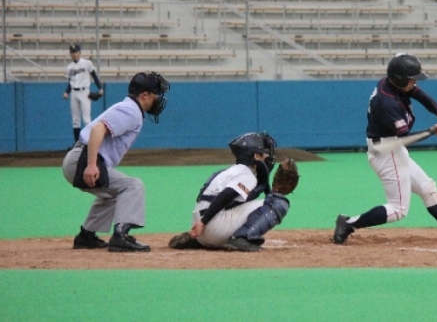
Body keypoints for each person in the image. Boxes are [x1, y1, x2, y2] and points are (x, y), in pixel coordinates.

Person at [333, 53, 437, 245]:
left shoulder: (392, 84)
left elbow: (420, 95)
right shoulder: (387, 103)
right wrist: (433, 130)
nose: (415, 82)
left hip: (392, 148)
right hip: (387, 152)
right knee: (398, 210)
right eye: (412, 79)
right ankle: (348, 224)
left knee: (428, 188)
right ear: (400, 79)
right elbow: (405, 137)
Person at [62, 72, 170, 252]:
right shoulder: (131, 111)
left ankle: (86, 236)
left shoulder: (130, 108)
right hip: (81, 160)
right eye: (155, 94)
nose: (157, 99)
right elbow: (98, 130)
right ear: (144, 95)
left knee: (115, 193)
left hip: (79, 158)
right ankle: (121, 235)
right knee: (132, 186)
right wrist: (91, 164)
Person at [168, 132, 293, 252]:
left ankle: (196, 241)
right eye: (264, 154)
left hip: (200, 233)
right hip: (212, 227)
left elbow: (238, 201)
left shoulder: (229, 171)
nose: (267, 158)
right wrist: (203, 222)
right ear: (256, 156)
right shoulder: (247, 174)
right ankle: (242, 238)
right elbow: (226, 195)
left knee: (267, 202)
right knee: (278, 203)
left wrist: (267, 188)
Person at [63, 44, 104, 143]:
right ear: (70, 54)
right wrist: (67, 92)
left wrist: (100, 88)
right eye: (72, 52)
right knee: (75, 120)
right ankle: (77, 143)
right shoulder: (69, 67)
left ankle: (89, 142)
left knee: (86, 119)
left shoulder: (87, 63)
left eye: (76, 52)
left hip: (84, 92)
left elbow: (94, 76)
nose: (74, 54)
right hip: (74, 92)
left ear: (80, 53)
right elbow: (70, 82)